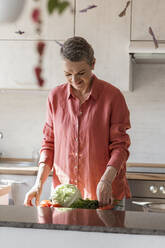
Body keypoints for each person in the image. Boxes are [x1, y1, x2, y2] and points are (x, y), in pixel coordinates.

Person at [24, 36, 131, 208]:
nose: (75, 81)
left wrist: (106, 180)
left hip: (105, 197)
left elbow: (120, 147)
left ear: (93, 64)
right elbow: (49, 145)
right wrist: (38, 184)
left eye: (81, 73)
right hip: (65, 199)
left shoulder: (113, 97)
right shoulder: (55, 97)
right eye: (68, 74)